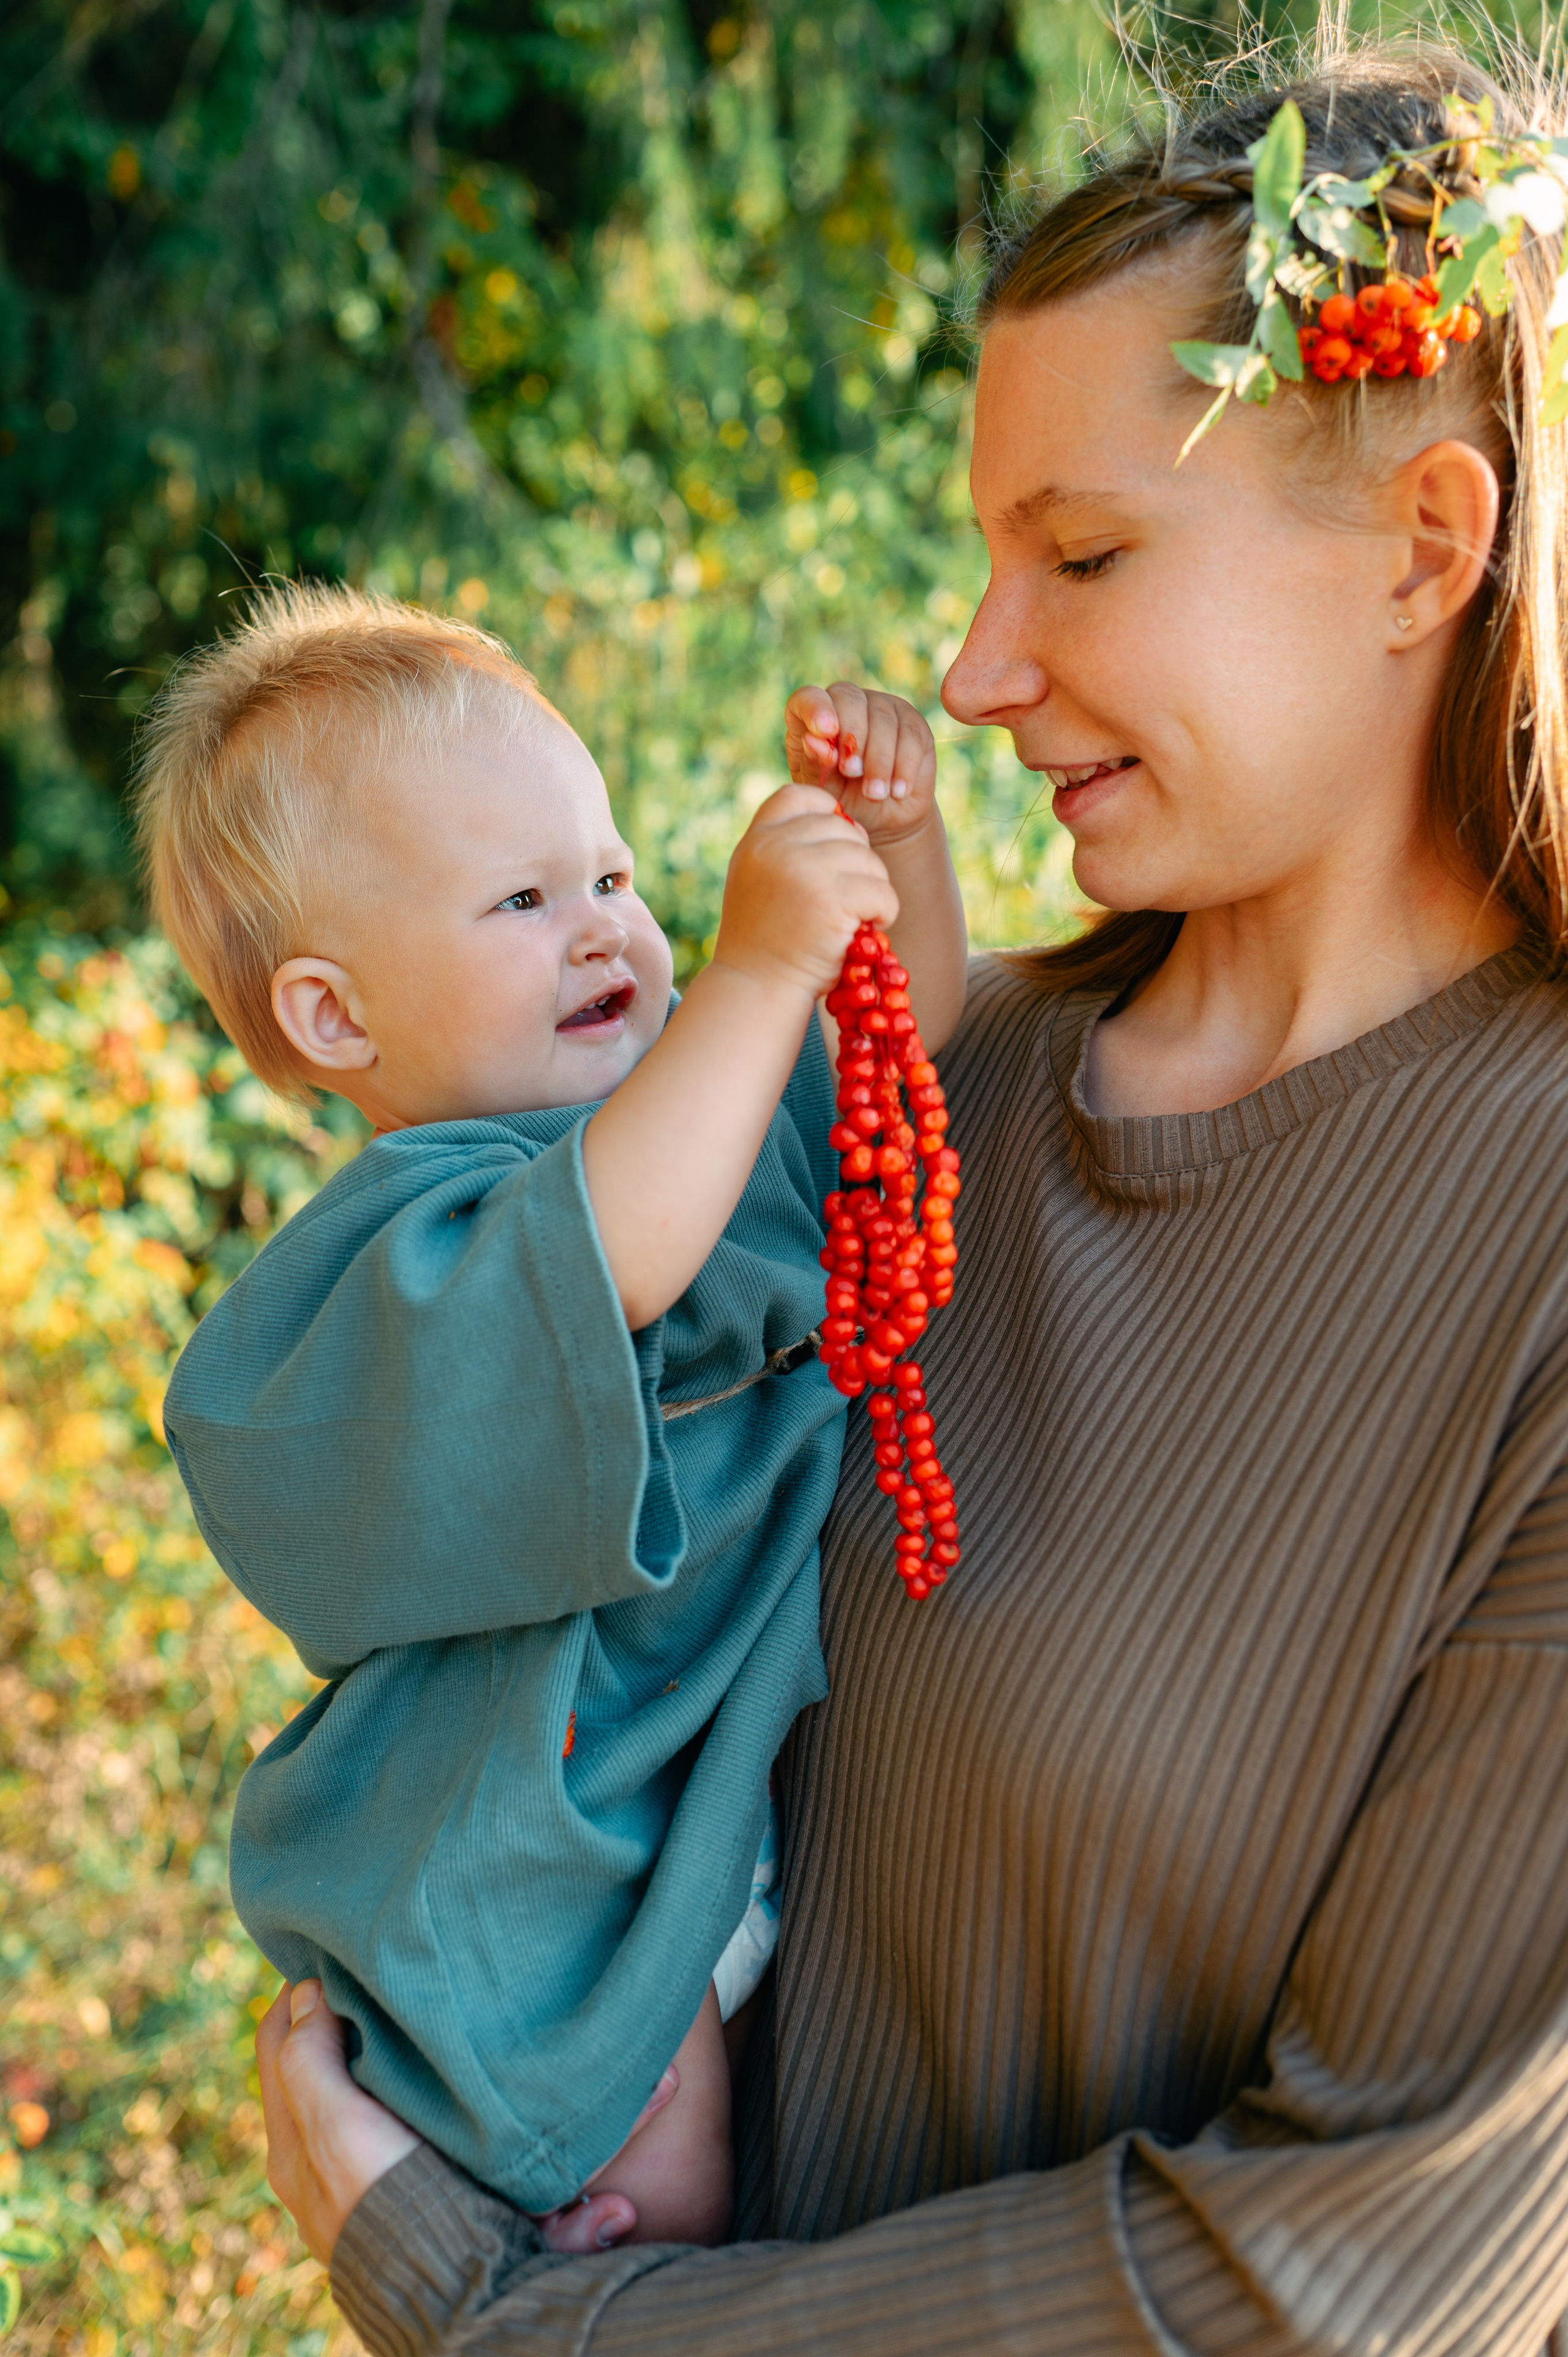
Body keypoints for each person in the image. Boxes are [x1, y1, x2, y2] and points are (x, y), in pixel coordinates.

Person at [257, 42, 1568, 2354]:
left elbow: (1348, 2284)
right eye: (985, 559)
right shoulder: (925, 1097)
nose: (973, 672)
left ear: (1428, 553)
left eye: (1081, 554)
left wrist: (505, 2325)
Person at [138, 583, 967, 2249]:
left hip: (713, 1812)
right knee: (656, 2186)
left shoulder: (703, 1109)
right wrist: (750, 971)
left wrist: (904, 846)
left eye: (614, 877)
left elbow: (906, 1033)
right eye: (520, 900)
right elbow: (612, 1257)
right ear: (334, 1016)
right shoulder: (402, 1253)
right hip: (537, 1882)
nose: (604, 929)